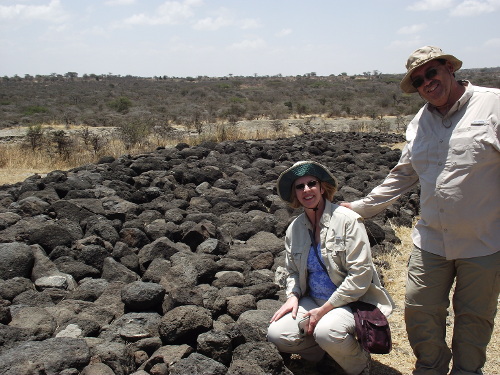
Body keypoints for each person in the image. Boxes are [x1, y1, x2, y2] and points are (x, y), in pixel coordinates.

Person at [341, 46, 500, 374]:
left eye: (431, 72)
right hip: (431, 241)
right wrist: (359, 209)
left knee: (475, 317)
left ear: (449, 68)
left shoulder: (493, 104)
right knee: (418, 309)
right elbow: (403, 174)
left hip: (484, 241)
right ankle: (431, 368)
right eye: (418, 80)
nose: (427, 82)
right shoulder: (419, 123)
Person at [267, 160, 394, 375]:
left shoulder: (348, 220)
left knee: (327, 330)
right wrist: (293, 295)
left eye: (312, 183)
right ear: (295, 194)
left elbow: (360, 276)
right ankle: (325, 354)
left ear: (322, 187)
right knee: (277, 333)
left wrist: (325, 310)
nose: (307, 190)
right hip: (313, 299)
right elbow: (292, 272)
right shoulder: (294, 228)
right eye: (300, 186)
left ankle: (360, 365)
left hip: (350, 302)